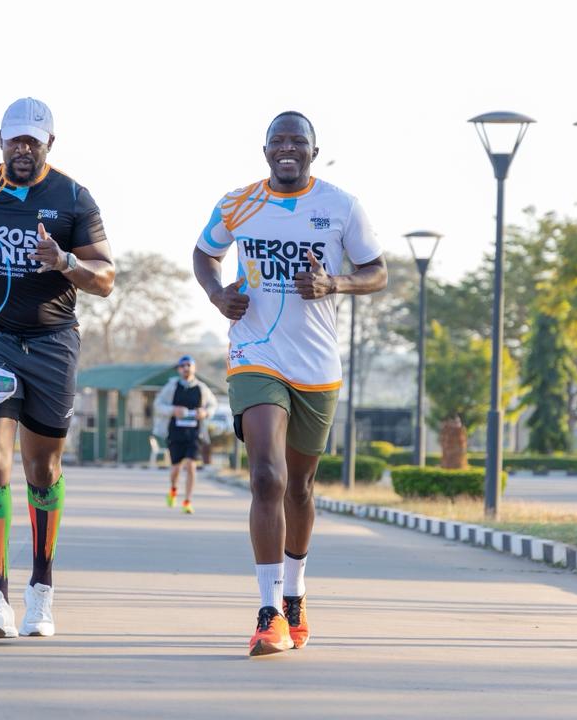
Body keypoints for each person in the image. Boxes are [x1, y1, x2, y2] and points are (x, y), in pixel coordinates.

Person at [193, 111, 387, 656]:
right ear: (265, 151)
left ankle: (295, 594)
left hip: (317, 364)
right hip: (255, 353)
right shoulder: (238, 203)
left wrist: (334, 283)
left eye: (296, 141)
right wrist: (216, 294)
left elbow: (377, 272)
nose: (286, 148)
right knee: (266, 478)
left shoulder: (341, 206)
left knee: (299, 487)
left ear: (312, 152)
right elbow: (205, 253)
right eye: (277, 140)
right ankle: (268, 611)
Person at [0, 97, 115, 640]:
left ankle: (41, 590)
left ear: (49, 144)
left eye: (33, 141)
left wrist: (65, 262)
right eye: (15, 139)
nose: (23, 148)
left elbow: (106, 277)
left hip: (52, 343)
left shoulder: (73, 197)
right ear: (1, 140)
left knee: (43, 469)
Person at [153, 355, 218, 514]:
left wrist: (205, 413)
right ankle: (173, 490)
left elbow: (213, 405)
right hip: (175, 433)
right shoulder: (172, 386)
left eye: (189, 365)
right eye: (182, 366)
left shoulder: (202, 388)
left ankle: (187, 501)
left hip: (194, 433)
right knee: (176, 468)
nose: (186, 368)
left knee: (191, 465)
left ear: (194, 368)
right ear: (179, 370)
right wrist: (173, 410)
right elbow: (158, 405)